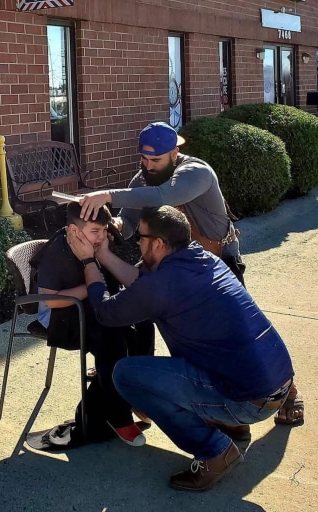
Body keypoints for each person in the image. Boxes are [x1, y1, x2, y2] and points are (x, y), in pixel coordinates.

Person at [79, 121, 304, 428]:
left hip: (213, 263)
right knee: (178, 332)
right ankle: (189, 396)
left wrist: (107, 194)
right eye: (143, 160)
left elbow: (163, 197)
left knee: (237, 332)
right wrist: (115, 227)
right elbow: (130, 221)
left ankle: (286, 390)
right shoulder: (143, 178)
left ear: (175, 152)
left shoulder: (196, 172)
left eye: (155, 160)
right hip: (171, 269)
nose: (147, 166)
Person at [73, 205, 295, 491]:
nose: (136, 242)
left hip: (249, 399)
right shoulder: (202, 259)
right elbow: (143, 286)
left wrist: (88, 262)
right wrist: (103, 253)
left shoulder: (164, 284)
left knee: (127, 375)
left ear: (158, 243)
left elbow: (106, 312)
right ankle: (229, 424)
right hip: (275, 384)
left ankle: (215, 451)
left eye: (140, 237)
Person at [29, 201, 148, 450]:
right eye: (95, 231)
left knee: (142, 320)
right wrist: (89, 287)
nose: (102, 237)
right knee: (111, 335)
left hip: (88, 307)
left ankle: (135, 392)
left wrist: (103, 253)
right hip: (59, 316)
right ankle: (118, 416)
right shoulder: (59, 250)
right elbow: (50, 300)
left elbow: (125, 280)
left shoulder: (97, 242)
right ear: (74, 230)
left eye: (104, 230)